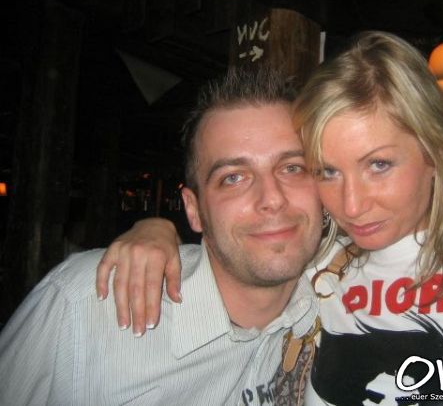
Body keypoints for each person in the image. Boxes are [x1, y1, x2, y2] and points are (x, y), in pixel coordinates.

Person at [97, 32, 443, 405]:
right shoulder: (317, 262)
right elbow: (237, 259)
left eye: (378, 165)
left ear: (435, 152)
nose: (352, 205)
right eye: (328, 171)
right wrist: (157, 229)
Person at [0, 68, 324, 405]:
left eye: (293, 168)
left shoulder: (336, 298)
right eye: (233, 178)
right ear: (193, 209)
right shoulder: (84, 306)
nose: (272, 198)